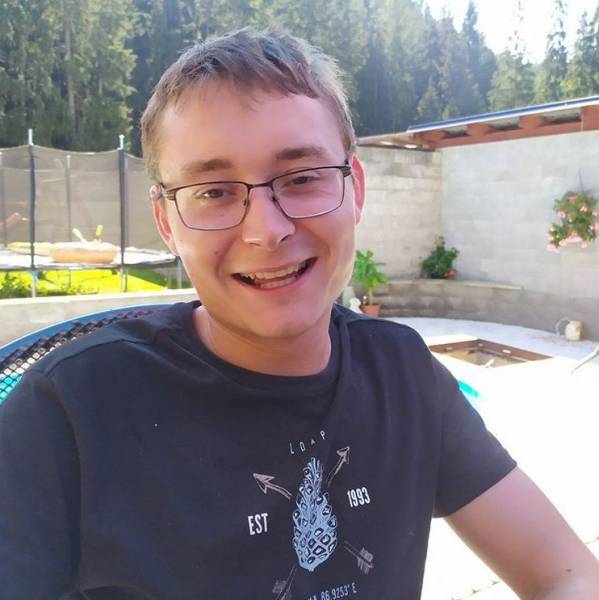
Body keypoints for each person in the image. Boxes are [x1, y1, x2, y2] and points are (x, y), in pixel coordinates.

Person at [0, 28, 597, 600]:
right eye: (214, 192)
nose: (267, 230)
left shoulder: (404, 376)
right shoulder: (70, 412)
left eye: (303, 178)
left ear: (355, 188)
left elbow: (567, 573)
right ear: (167, 221)